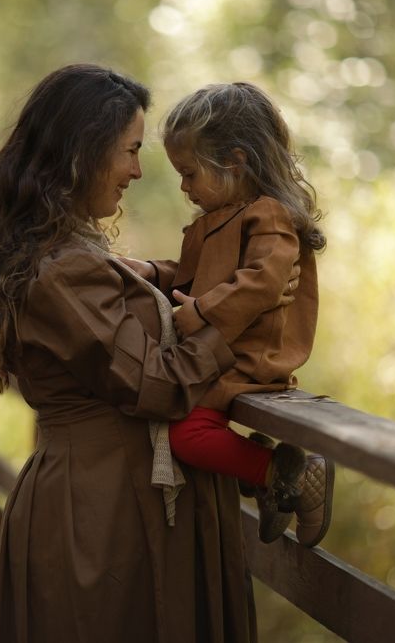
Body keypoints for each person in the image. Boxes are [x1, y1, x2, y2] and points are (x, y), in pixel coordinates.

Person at [0, 64, 298, 643]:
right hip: (101, 518)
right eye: (129, 151)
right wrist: (243, 316)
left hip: (115, 504)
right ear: (80, 154)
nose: (138, 171)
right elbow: (158, 383)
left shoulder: (68, 255)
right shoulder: (63, 269)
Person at [120, 82, 333, 547]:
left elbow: (263, 280)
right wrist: (156, 271)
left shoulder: (268, 216)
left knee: (187, 435)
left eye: (190, 173)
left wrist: (204, 313)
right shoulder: (215, 220)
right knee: (181, 425)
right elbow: (205, 276)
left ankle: (280, 472)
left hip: (249, 355)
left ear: (234, 163)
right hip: (221, 352)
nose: (184, 186)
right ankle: (262, 476)